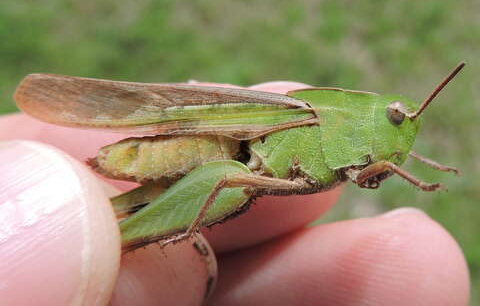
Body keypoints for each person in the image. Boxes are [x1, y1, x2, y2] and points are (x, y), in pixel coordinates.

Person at [0, 82, 469, 305]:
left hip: (232, 167)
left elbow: (377, 166)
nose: (398, 134)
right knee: (225, 178)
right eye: (394, 118)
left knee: (227, 179)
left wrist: (417, 168)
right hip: (194, 141)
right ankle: (79, 237)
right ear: (367, 114)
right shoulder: (313, 116)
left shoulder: (357, 145)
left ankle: (104, 232)